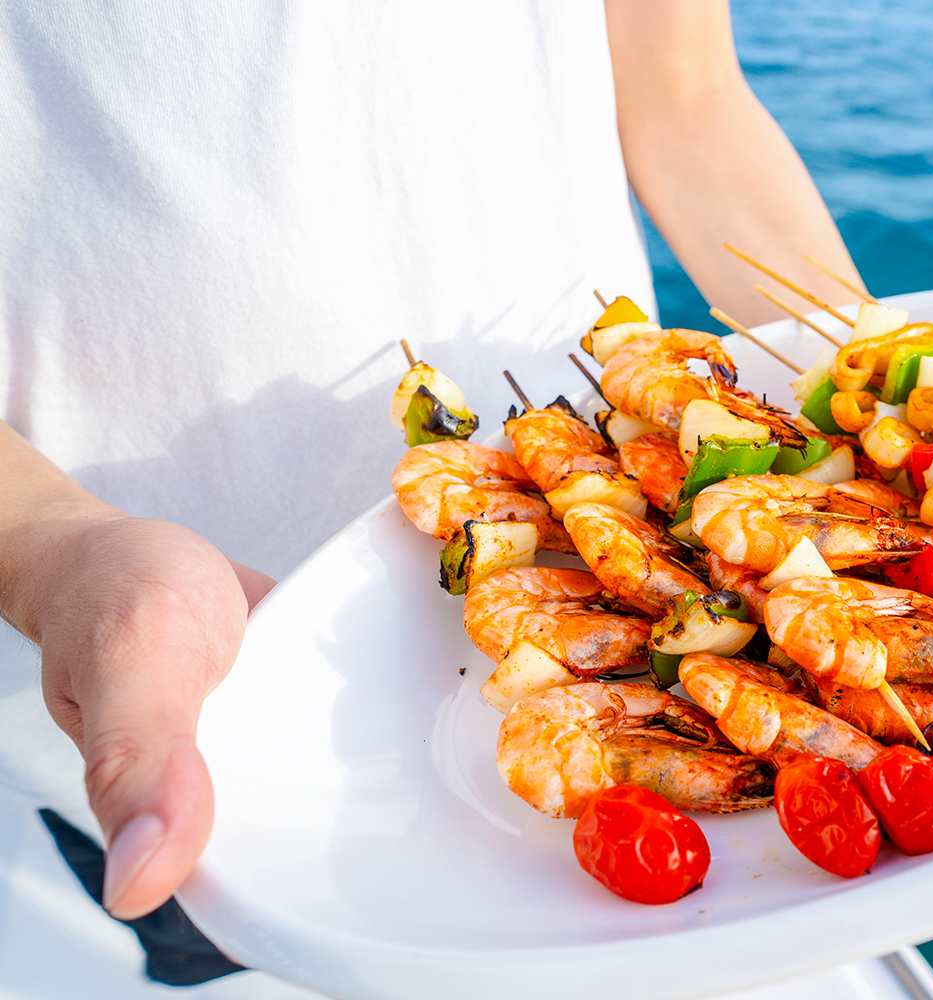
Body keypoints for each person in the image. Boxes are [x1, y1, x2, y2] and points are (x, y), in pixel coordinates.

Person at [0, 0, 864, 982]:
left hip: (639, 605)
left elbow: (685, 93)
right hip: (189, 696)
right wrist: (47, 544)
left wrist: (883, 393)